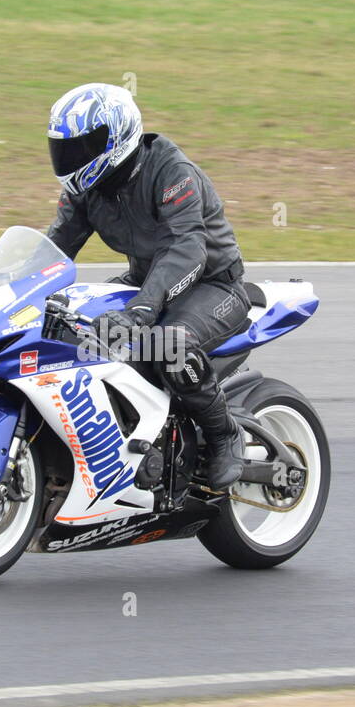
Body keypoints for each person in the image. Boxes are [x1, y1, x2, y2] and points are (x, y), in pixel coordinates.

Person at [44, 83, 250, 488]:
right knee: (70, 326)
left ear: (117, 137)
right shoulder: (86, 189)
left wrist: (141, 310)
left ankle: (224, 433)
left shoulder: (172, 173)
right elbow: (54, 248)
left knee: (168, 342)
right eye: (64, 148)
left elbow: (187, 249)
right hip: (147, 282)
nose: (71, 159)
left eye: (83, 147)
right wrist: (7, 285)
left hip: (214, 285)